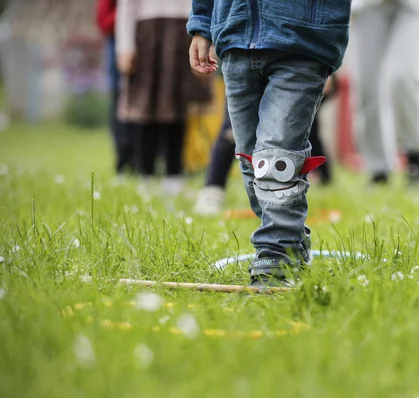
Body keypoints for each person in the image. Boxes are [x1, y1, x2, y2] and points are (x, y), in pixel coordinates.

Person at [187, 0, 350, 286]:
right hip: (235, 40)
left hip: (302, 41)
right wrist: (202, 23)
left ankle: (277, 251)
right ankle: (291, 244)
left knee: (276, 159)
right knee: (251, 159)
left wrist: (328, 32)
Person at [194, 75, 337, 216]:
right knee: (232, 131)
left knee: (304, 129)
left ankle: (319, 181)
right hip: (244, 63)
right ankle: (212, 190)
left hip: (293, 69)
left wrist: (326, 72)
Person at [115, 0, 211, 193]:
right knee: (145, 105)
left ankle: (174, 176)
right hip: (146, 34)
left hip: (184, 30)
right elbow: (126, 7)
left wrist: (207, 44)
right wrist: (125, 47)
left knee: (178, 105)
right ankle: (146, 175)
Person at [351, 0, 419, 186]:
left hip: (418, 6)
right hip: (368, 5)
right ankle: (378, 169)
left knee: (405, 76)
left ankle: (415, 158)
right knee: (367, 86)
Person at [96, 0, 133, 174]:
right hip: (118, 43)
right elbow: (103, 20)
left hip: (148, 39)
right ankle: (124, 159)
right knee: (120, 103)